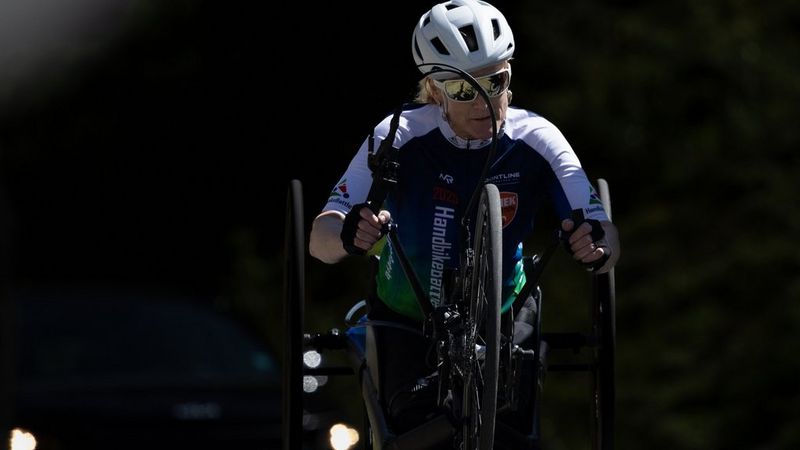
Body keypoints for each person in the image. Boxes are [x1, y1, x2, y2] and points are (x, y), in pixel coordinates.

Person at [309, 0, 620, 446]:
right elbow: (320, 240)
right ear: (434, 91)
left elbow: (605, 233)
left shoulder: (539, 138)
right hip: (408, 316)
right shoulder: (397, 135)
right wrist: (347, 233)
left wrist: (597, 245)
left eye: (496, 82)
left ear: (510, 74)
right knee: (416, 431)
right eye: (461, 90)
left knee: (513, 434)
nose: (485, 102)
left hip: (505, 312)